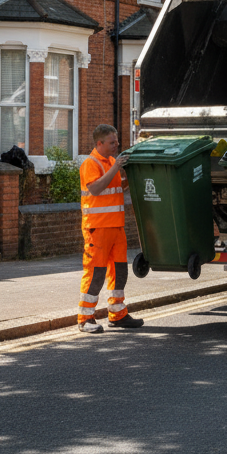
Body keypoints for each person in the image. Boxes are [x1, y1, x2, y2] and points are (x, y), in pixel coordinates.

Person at [77, 124, 144, 334]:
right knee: (96, 272)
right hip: (97, 229)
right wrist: (116, 168)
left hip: (116, 226)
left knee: (119, 271)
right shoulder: (91, 163)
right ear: (100, 143)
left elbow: (119, 187)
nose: (116, 145)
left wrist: (129, 174)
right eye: (112, 142)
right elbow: (96, 189)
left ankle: (117, 314)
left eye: (117, 141)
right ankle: (85, 318)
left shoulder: (113, 162)